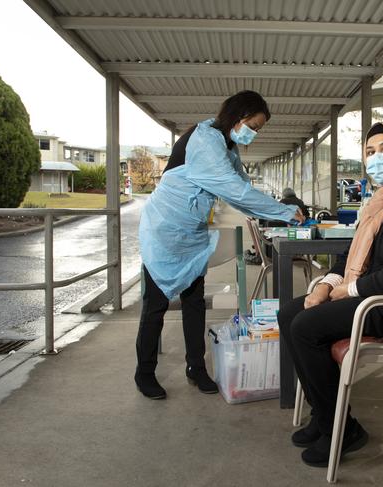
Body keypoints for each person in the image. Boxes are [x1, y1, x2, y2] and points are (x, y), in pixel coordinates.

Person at [277, 122, 383, 468]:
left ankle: (340, 429)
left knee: (306, 328)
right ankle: (325, 415)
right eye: (370, 152)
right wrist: (328, 284)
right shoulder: (382, 199)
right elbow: (352, 254)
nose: (377, 158)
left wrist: (351, 289)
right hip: (377, 297)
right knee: (289, 314)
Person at [136, 90, 305, 400]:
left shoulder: (227, 147)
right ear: (237, 116)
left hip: (192, 232)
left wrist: (279, 216)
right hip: (164, 231)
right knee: (156, 306)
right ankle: (144, 373)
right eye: (253, 125)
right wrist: (282, 211)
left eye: (258, 128)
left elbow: (240, 190)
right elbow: (233, 190)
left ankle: (195, 368)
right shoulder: (205, 140)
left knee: (194, 302)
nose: (254, 133)